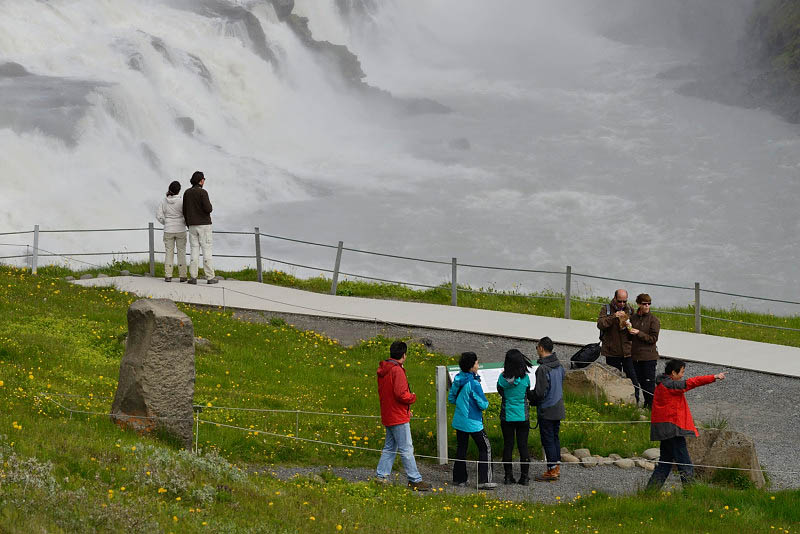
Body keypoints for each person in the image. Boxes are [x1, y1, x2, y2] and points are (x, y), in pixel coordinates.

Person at [646, 359, 726, 491]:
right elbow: (691, 383)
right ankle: (691, 494)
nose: (683, 375)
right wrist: (714, 377)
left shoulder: (662, 384)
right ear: (673, 372)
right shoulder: (670, 385)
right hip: (673, 430)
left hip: (664, 430)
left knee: (664, 464)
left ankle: (650, 492)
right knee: (685, 464)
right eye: (682, 372)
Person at [375, 341, 431, 491]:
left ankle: (381, 476)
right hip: (398, 416)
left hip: (389, 413)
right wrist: (412, 398)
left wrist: (405, 409)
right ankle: (415, 479)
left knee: (390, 447)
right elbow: (401, 394)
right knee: (406, 448)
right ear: (404, 355)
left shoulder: (384, 369)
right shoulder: (397, 370)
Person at [449, 351, 496, 489]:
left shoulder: (458, 378)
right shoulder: (473, 383)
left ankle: (459, 479)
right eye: (476, 362)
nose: (478, 364)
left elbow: (451, 398)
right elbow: (483, 404)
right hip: (473, 421)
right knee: (485, 447)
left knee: (461, 448)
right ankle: (484, 480)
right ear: (471, 366)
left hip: (460, 420)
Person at [529, 337, 565, 482]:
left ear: (541, 348)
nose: (537, 350)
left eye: (537, 347)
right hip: (558, 407)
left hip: (547, 409)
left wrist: (529, 395)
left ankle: (551, 470)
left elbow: (539, 392)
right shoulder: (560, 366)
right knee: (555, 438)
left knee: (548, 439)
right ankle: (556, 467)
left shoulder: (543, 369)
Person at [597, 289, 640, 403]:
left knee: (633, 378)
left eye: (624, 301)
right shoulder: (606, 309)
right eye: (620, 301)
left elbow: (635, 324)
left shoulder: (630, 309)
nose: (622, 304)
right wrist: (614, 316)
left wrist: (631, 327)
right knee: (614, 378)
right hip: (612, 352)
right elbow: (600, 324)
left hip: (627, 352)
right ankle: (613, 401)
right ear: (615, 298)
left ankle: (636, 401)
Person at [497, 349, 533, 485]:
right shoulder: (525, 379)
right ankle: (524, 477)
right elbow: (527, 392)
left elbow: (501, 391)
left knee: (508, 446)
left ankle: (508, 476)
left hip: (507, 417)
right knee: (523, 446)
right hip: (522, 416)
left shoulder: (502, 379)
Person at [182, 171, 217, 285]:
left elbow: (184, 210)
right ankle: (210, 277)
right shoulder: (203, 192)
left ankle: (193, 277)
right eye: (203, 180)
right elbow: (208, 209)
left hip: (192, 226)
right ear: (201, 181)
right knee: (206, 250)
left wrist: (188, 224)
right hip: (204, 226)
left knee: (194, 251)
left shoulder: (187, 193)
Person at [630, 293, 660, 409]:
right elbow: (629, 338)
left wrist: (639, 333)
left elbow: (653, 339)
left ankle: (650, 407)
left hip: (649, 358)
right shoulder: (633, 318)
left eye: (649, 303)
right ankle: (638, 404)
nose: (647, 306)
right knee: (636, 383)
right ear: (638, 304)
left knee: (649, 384)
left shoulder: (654, 320)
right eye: (644, 304)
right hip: (635, 357)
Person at [155, 180, 187, 283]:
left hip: (168, 229)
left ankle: (168, 275)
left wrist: (166, 222)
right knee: (181, 252)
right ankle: (183, 276)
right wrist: (184, 222)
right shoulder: (182, 201)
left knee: (169, 252)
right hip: (181, 229)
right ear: (179, 191)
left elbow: (159, 216)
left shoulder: (164, 201)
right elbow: (186, 214)